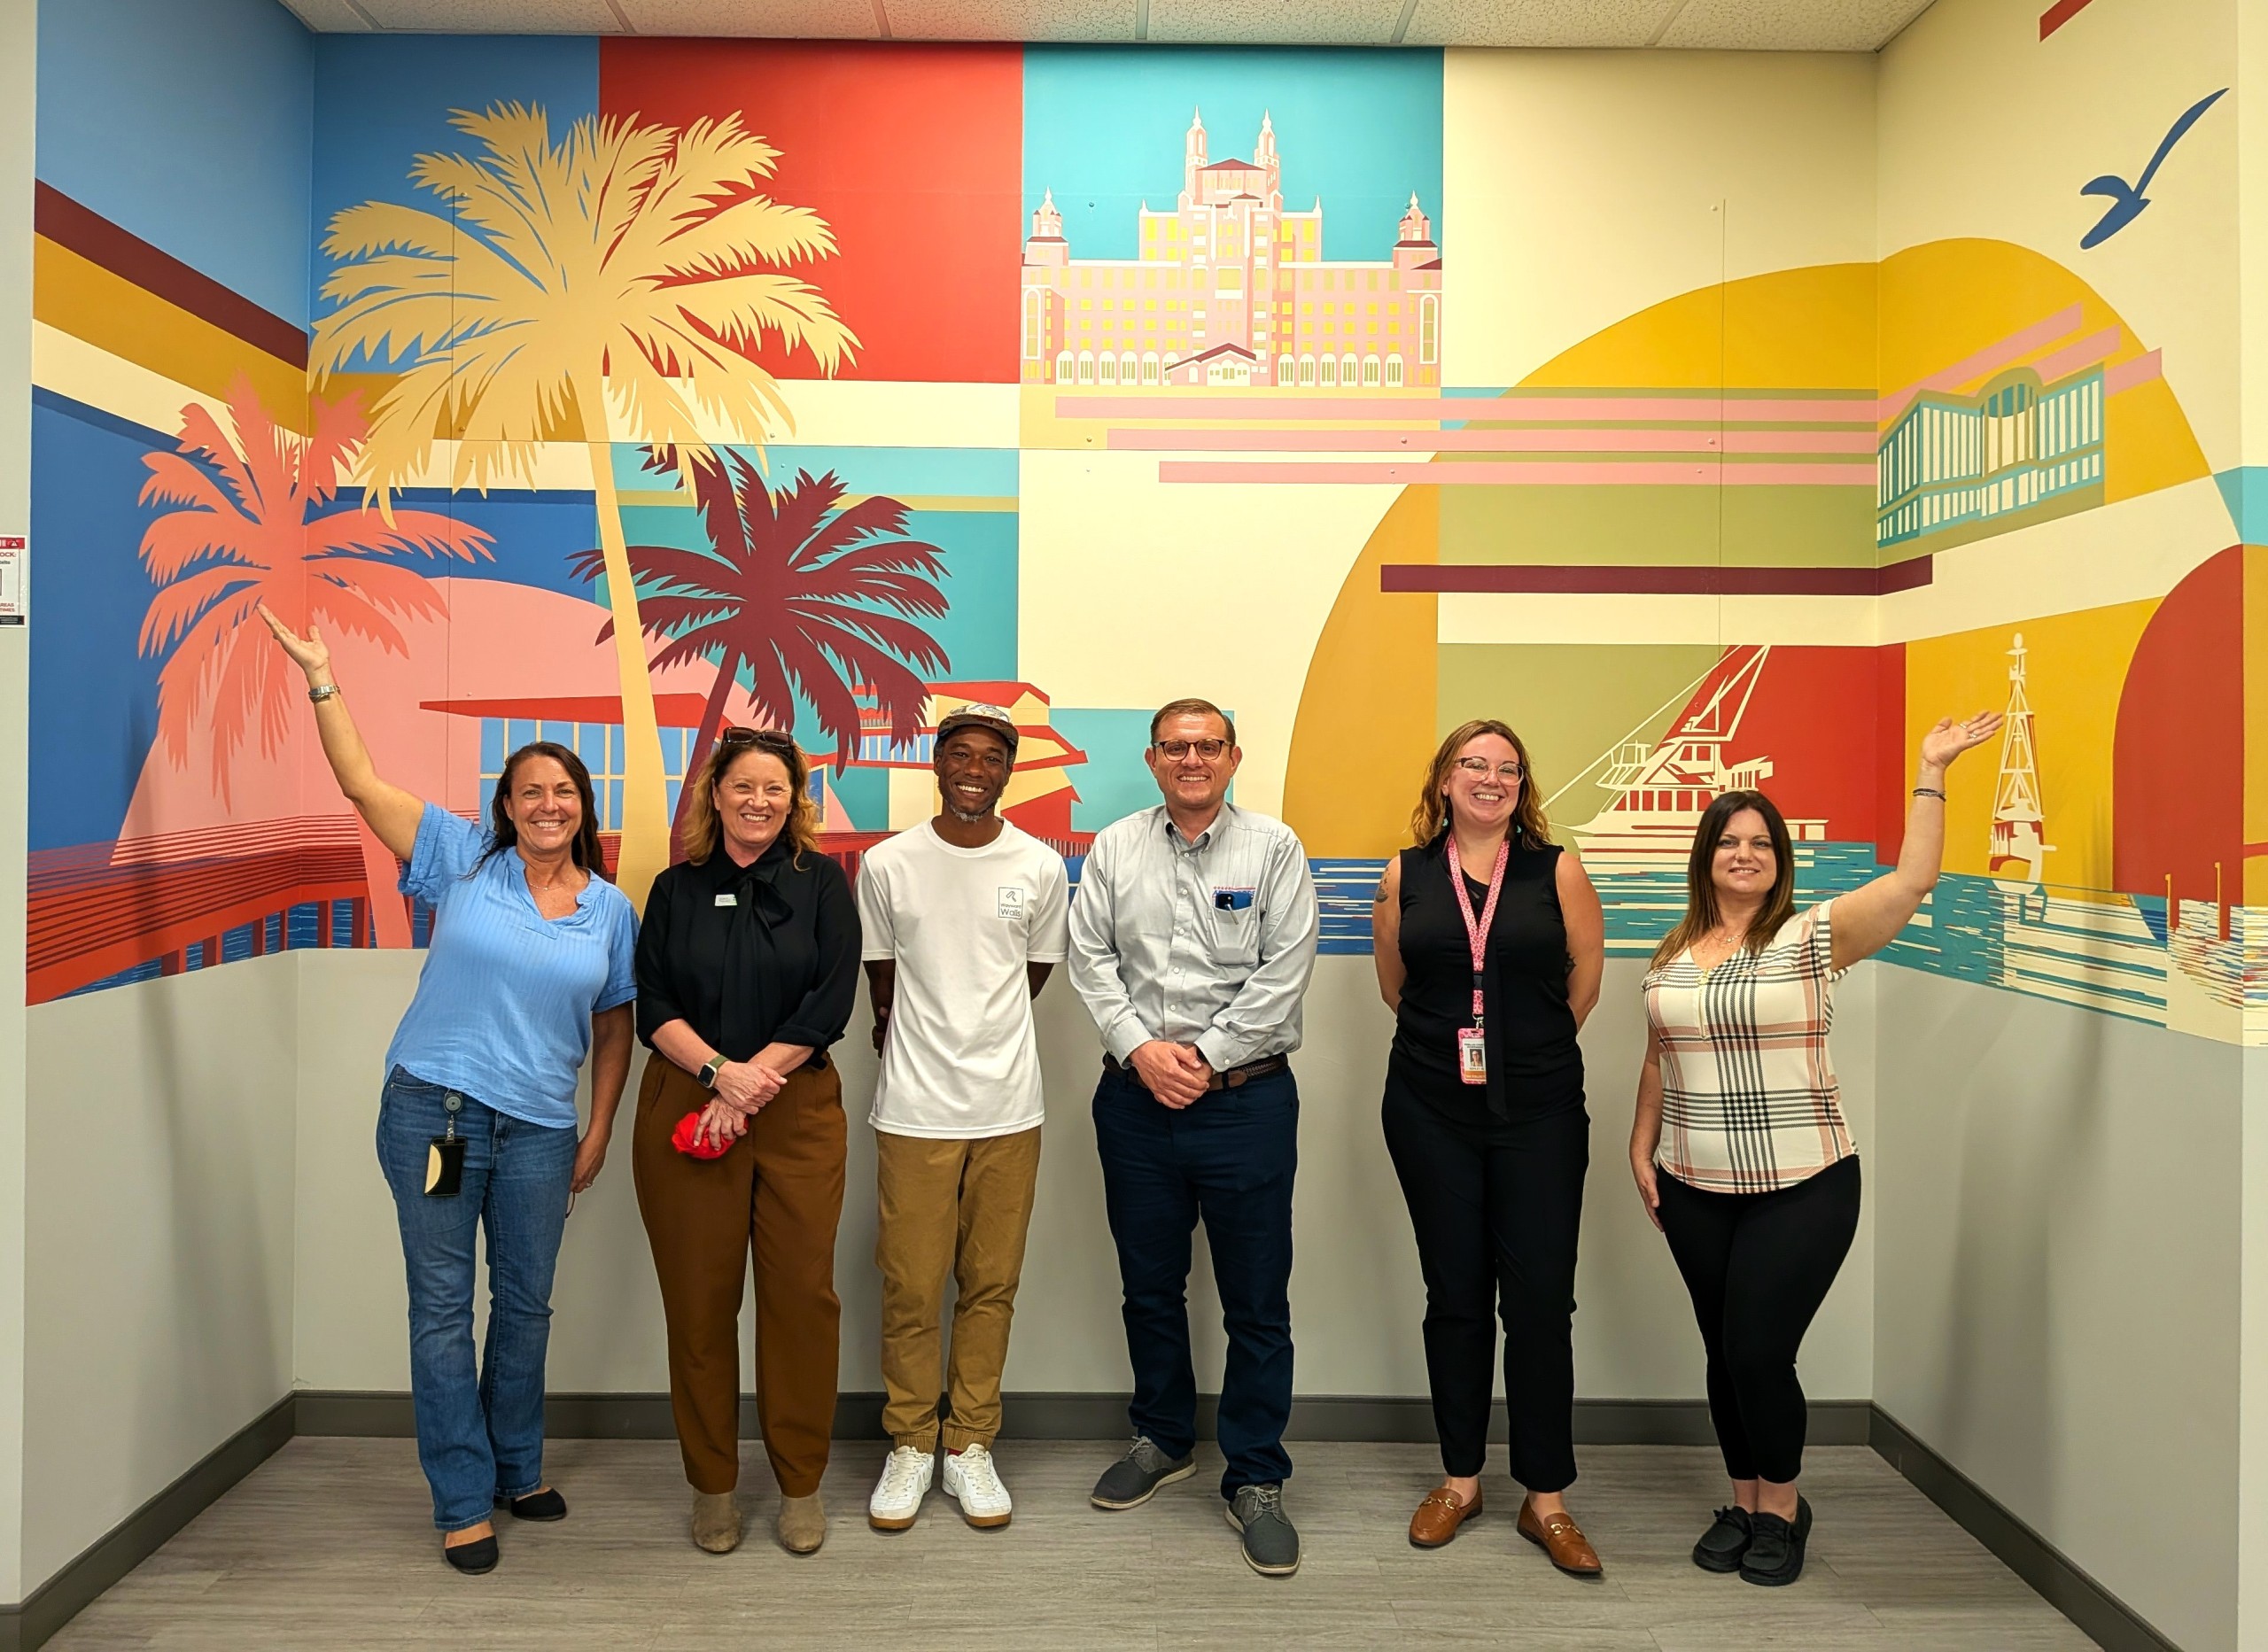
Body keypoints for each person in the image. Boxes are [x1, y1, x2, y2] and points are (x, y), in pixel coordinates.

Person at [259, 605, 636, 1577]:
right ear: (505, 807)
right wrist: (322, 673)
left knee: (524, 1305)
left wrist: (598, 1130)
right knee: (441, 1307)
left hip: (543, 1135)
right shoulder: (461, 859)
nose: (546, 804)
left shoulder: (609, 908)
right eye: (528, 792)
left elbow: (613, 1025)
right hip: (441, 1118)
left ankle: (518, 1465)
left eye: (562, 791)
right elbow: (359, 780)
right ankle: (463, 1498)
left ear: (583, 805)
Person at [1629, 711, 2002, 1587]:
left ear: (1779, 858)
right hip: (1689, 1182)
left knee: (1759, 1349)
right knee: (1723, 1350)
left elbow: (1913, 880)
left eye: (1761, 842)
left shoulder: (1811, 938)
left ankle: (1785, 1507)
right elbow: (1656, 1056)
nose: (1746, 853)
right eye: (1729, 841)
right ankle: (1744, 1498)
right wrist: (1638, 1145)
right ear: (1706, 857)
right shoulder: (1673, 950)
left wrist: (1930, 767)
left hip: (1803, 1182)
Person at [1068, 698, 1319, 1578]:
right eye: (1175, 746)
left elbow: (1283, 972)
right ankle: (1164, 1436)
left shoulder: (1274, 848)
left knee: (1256, 1300)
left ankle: (1254, 1476)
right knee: (1149, 1285)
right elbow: (1088, 959)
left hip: (1246, 1105)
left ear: (1233, 756)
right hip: (1134, 1101)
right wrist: (1143, 1050)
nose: (1191, 758)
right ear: (1151, 758)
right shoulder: (1113, 847)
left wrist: (1203, 1059)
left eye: (1207, 745)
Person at [1371, 720, 1606, 1573]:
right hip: (1430, 1110)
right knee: (1456, 1296)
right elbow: (1396, 982)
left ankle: (1545, 1498)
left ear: (1522, 787)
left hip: (1540, 1112)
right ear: (1444, 779)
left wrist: (1525, 1050)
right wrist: (1456, 1050)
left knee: (1541, 1303)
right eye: (1474, 762)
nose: (1491, 777)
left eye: (1508, 767)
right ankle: (1462, 1479)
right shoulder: (1407, 873)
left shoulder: (1557, 869)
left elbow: (1585, 973)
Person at [632, 727, 859, 1558]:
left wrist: (751, 1079)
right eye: (743, 786)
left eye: (775, 788)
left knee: (802, 1301)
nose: (758, 801)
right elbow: (652, 1003)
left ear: (792, 799)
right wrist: (718, 1074)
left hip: (794, 1108)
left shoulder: (824, 885)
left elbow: (830, 998)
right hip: (688, 1108)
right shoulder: (674, 888)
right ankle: (713, 1484)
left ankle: (800, 1484)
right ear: (715, 794)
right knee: (698, 1305)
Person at [857, 705, 1071, 1532]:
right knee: (910, 1285)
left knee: (990, 1284)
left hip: (1010, 1109)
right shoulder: (888, 863)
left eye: (991, 756)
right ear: (936, 765)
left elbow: (1034, 972)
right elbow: (882, 981)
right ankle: (912, 1441)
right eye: (960, 754)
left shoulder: (1041, 867)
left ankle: (970, 1445)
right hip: (914, 1110)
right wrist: (926, 1044)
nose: (975, 767)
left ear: (1008, 771)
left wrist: (985, 1040)